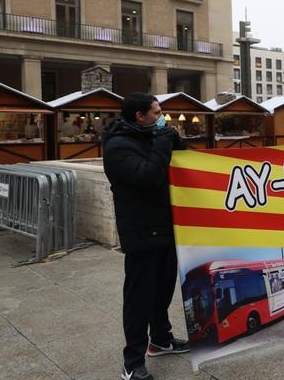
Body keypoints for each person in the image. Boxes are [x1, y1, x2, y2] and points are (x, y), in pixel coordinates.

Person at [102, 93, 190, 380]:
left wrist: (175, 141)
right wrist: (164, 142)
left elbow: (178, 164)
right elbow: (149, 177)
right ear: (139, 116)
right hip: (141, 232)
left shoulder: (150, 135)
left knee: (163, 289)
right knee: (139, 298)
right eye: (156, 113)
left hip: (166, 226)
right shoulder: (117, 146)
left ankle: (161, 339)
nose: (161, 117)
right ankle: (132, 362)